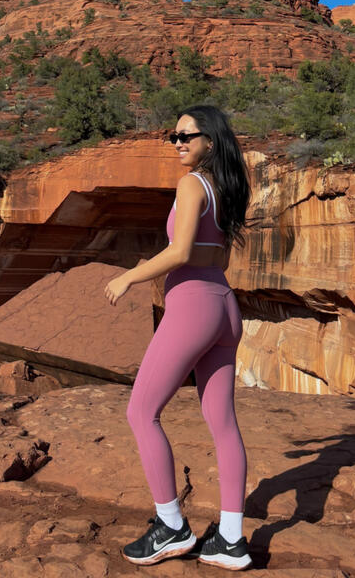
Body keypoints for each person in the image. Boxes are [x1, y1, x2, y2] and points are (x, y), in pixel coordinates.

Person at [104, 104, 253, 570]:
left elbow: (181, 251)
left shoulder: (192, 185)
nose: (178, 143)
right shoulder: (226, 188)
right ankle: (231, 540)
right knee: (222, 423)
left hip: (193, 308)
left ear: (211, 140)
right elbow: (218, 258)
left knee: (141, 412)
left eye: (187, 135)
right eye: (174, 136)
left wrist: (129, 276)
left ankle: (171, 527)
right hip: (224, 305)